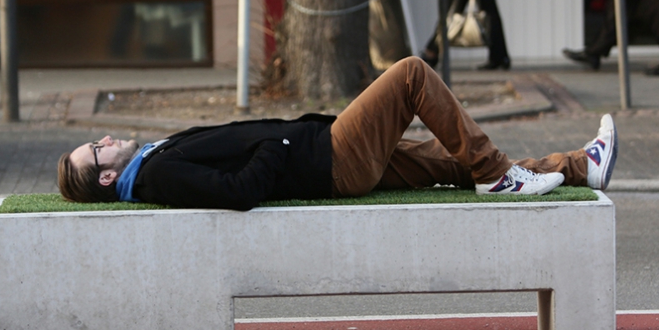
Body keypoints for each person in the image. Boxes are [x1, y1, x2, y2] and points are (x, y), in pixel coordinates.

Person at [58, 57, 618, 211]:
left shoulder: (153, 162)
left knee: (450, 162)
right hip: (330, 159)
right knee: (411, 75)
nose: (104, 138)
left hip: (331, 159)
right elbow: (238, 193)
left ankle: (577, 166)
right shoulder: (157, 175)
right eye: (97, 148)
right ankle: (499, 178)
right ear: (107, 174)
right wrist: (277, 145)